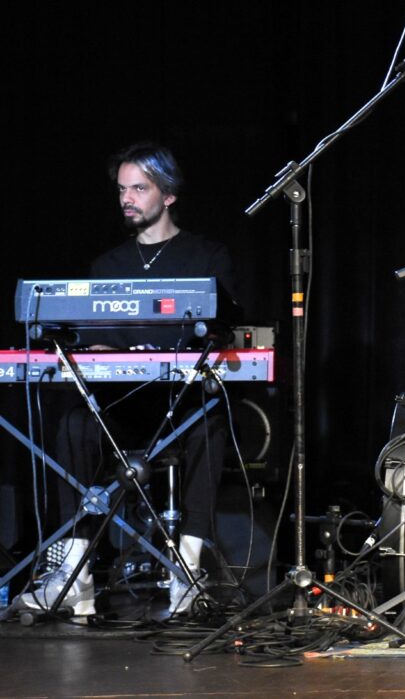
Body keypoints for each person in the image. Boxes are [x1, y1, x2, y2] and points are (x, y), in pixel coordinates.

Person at [20, 143, 240, 618]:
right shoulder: (107, 268)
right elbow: (92, 338)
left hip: (179, 405)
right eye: (122, 190)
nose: (127, 199)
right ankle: (75, 575)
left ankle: (187, 572)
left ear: (169, 194)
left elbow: (220, 330)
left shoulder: (207, 256)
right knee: (74, 423)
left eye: (138, 189)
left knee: (210, 421)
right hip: (119, 407)